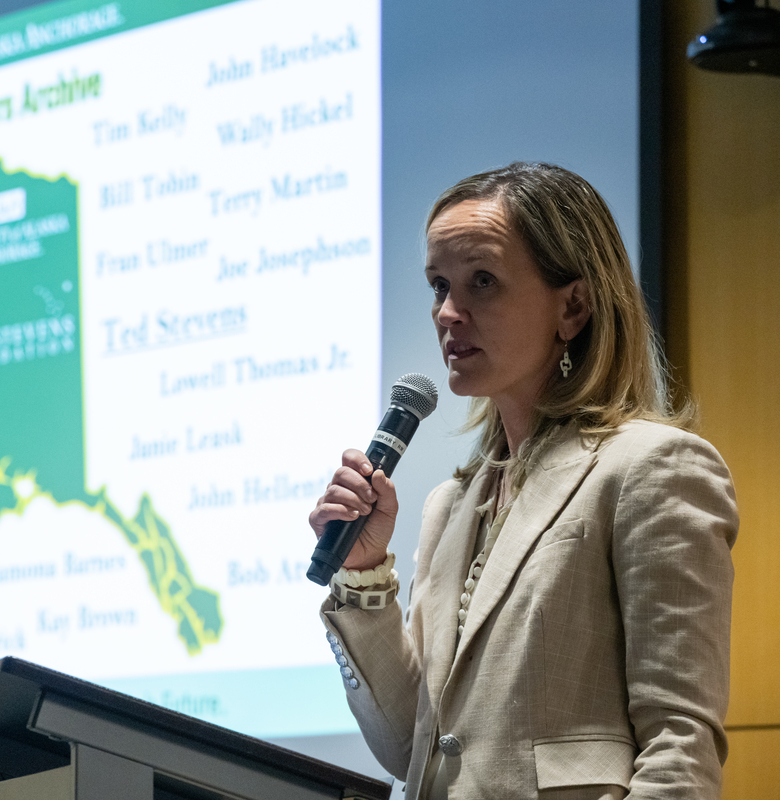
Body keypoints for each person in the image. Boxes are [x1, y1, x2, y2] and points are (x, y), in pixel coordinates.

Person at [310, 162, 737, 799]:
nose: (448, 313)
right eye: (438, 285)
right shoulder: (451, 505)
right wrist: (365, 573)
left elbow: (679, 751)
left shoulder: (654, 469)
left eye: (482, 282)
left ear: (574, 306)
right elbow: (411, 747)